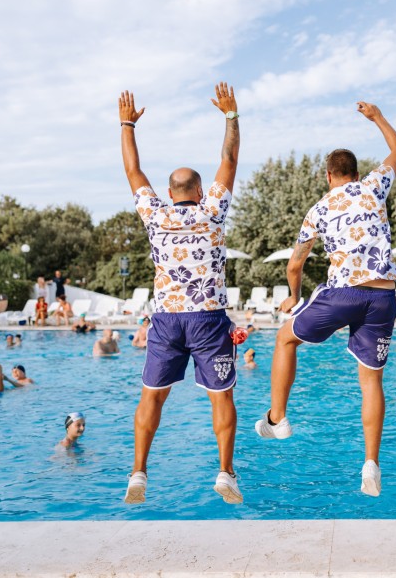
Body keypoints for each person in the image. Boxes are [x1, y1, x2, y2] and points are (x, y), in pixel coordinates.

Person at [256, 100, 396, 498]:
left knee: (285, 339)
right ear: (357, 173)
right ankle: (371, 464)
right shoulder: (374, 186)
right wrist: (376, 117)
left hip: (342, 293)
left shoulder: (319, 209)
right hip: (383, 297)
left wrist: (294, 296)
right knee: (371, 381)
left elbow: (295, 264)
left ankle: (277, 418)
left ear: (328, 176)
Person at [119, 84, 242, 505]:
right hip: (208, 317)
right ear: (201, 191)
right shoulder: (213, 211)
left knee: (151, 397)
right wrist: (230, 116)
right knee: (221, 397)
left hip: (167, 319)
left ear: (170, 193)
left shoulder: (155, 214)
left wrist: (127, 124)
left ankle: (138, 472)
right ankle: (225, 473)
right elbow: (229, 160)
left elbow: (133, 171)